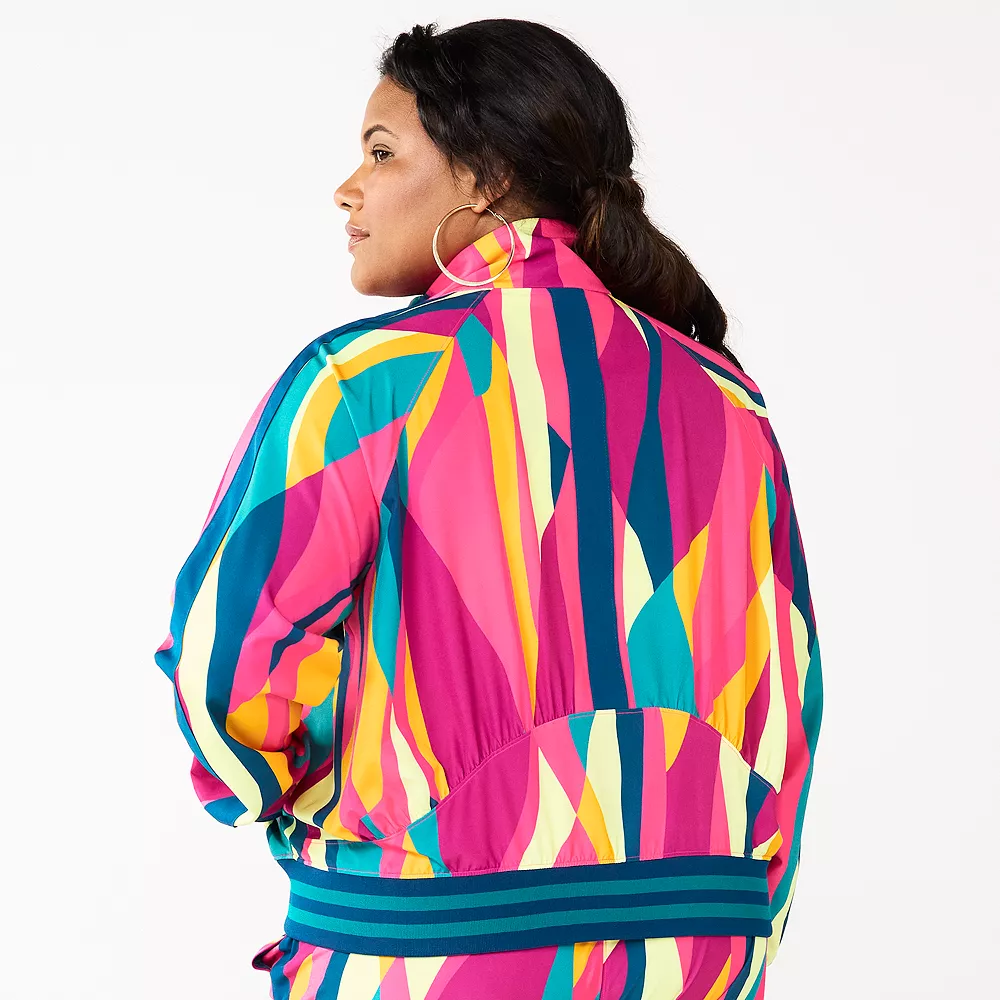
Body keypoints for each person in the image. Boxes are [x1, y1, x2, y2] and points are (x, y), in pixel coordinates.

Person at [153, 18, 823, 1000]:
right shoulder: (725, 397)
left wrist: (317, 785)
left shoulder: (363, 385)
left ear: (487, 178)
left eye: (381, 152)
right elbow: (786, 690)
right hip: (699, 947)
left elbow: (227, 667)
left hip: (434, 943)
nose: (348, 188)